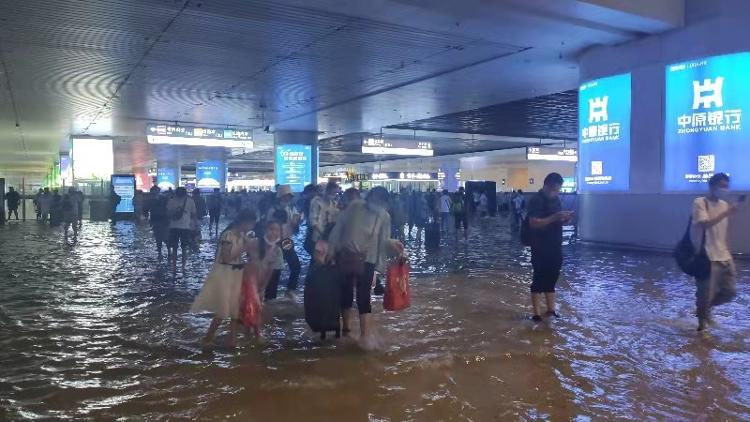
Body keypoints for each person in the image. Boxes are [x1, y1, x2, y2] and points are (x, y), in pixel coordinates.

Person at [326, 186, 404, 349]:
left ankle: (365, 336)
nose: (375, 203)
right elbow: (339, 227)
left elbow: (384, 240)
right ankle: (346, 330)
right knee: (346, 293)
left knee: (364, 296)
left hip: (368, 259)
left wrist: (394, 247)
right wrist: (331, 250)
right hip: (346, 255)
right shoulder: (355, 207)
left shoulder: (384, 216)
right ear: (369, 197)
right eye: (373, 199)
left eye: (379, 201)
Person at [191, 210, 256, 347]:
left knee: (235, 309)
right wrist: (244, 246)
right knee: (223, 309)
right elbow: (226, 258)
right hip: (225, 273)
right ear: (244, 223)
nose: (252, 227)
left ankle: (232, 340)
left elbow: (246, 254)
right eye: (251, 224)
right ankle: (208, 338)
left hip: (237, 273)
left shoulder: (242, 235)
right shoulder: (228, 235)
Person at [692, 173, 740, 332]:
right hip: (707, 257)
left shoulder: (725, 205)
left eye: (726, 186)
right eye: (722, 186)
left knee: (730, 292)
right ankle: (701, 329)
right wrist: (726, 214)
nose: (724, 189)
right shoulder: (700, 202)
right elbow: (704, 225)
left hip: (725, 256)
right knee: (704, 294)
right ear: (712, 186)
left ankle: (704, 309)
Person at [527, 173, 573, 322]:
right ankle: (536, 314)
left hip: (555, 245)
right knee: (539, 278)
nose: (556, 192)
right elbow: (533, 223)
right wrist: (555, 216)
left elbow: (556, 222)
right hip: (540, 246)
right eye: (554, 189)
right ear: (547, 186)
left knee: (552, 277)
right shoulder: (536, 200)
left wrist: (564, 219)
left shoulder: (556, 200)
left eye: (558, 190)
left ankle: (551, 310)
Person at [265, 185, 302, 300]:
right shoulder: (272, 210)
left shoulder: (291, 208)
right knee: (275, 270)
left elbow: (295, 223)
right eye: (286, 196)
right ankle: (270, 297)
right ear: (280, 197)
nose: (287, 199)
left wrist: (297, 221)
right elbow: (268, 226)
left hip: (286, 241)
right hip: (275, 242)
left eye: (289, 197)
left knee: (295, 266)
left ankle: (290, 290)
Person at [167, 187, 197, 271]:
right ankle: (183, 267)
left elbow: (168, 214)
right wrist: (195, 226)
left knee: (174, 247)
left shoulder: (171, 201)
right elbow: (194, 214)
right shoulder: (190, 201)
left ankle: (174, 266)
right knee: (184, 248)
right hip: (185, 227)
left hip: (173, 227)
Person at [308, 182, 340, 252]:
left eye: (335, 193)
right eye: (332, 193)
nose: (333, 195)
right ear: (326, 191)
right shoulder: (317, 202)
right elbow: (313, 221)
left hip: (329, 236)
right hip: (318, 236)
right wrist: (322, 233)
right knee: (317, 257)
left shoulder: (334, 204)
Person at [149, 188, 170, 260]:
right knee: (158, 239)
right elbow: (151, 211)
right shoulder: (152, 200)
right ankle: (160, 253)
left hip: (163, 221)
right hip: (157, 222)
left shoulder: (164, 198)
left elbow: (167, 209)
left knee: (165, 238)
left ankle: (168, 252)